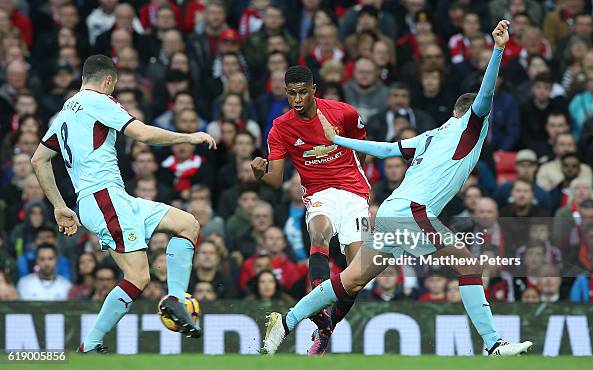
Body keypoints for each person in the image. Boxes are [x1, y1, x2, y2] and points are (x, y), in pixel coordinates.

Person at [262, 20, 532, 357]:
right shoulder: (471, 125)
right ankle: (493, 343)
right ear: (471, 114)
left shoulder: (432, 135)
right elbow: (487, 93)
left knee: (352, 279)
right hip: (412, 211)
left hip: (393, 209)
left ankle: (285, 322)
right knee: (469, 266)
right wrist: (498, 50)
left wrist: (338, 140)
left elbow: (388, 149)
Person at [30, 55, 217, 353]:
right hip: (104, 198)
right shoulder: (101, 102)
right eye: (113, 87)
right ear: (108, 82)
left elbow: (38, 159)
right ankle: (90, 345)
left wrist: (58, 205)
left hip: (111, 199)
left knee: (187, 224)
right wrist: (190, 137)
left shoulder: (64, 113)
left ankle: (175, 299)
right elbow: (142, 134)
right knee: (139, 276)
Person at [251, 65, 370, 355]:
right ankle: (320, 313)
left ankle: (326, 329)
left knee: (360, 275)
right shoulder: (281, 127)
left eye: (303, 92)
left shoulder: (344, 113)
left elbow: (363, 149)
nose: (297, 99)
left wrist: (351, 173)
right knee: (319, 233)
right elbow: (276, 179)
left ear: (314, 90)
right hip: (319, 194)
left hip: (356, 193)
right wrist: (258, 174)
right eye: (291, 94)